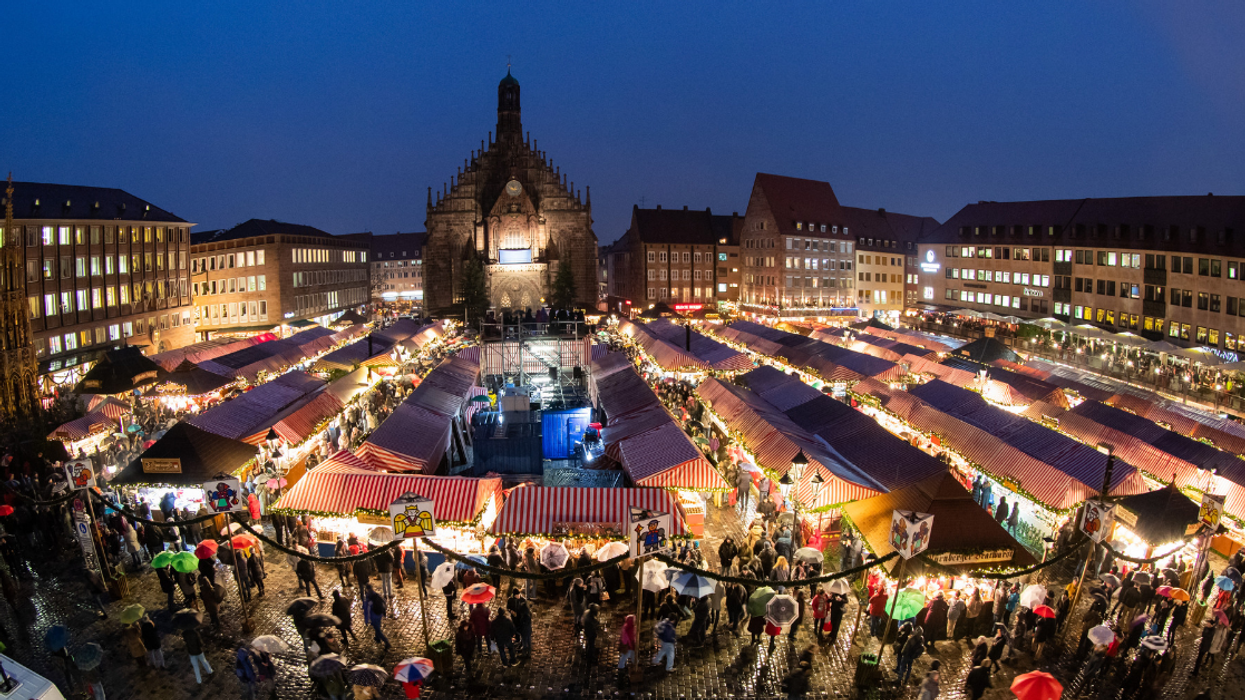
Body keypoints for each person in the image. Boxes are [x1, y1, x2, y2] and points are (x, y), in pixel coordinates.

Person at [363, 584, 391, 651]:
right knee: (377, 626)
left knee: (378, 630)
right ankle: (377, 638)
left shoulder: (368, 599)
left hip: (374, 616)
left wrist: (366, 620)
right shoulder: (376, 595)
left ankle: (386, 642)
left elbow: (367, 611)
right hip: (379, 614)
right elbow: (384, 601)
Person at [508, 589, 533, 654]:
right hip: (515, 619)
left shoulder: (523, 601)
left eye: (518, 594)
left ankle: (524, 650)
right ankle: (519, 641)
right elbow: (508, 607)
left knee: (525, 638)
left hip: (521, 622)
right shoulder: (510, 600)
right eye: (516, 595)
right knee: (518, 631)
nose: (518, 596)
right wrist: (511, 611)